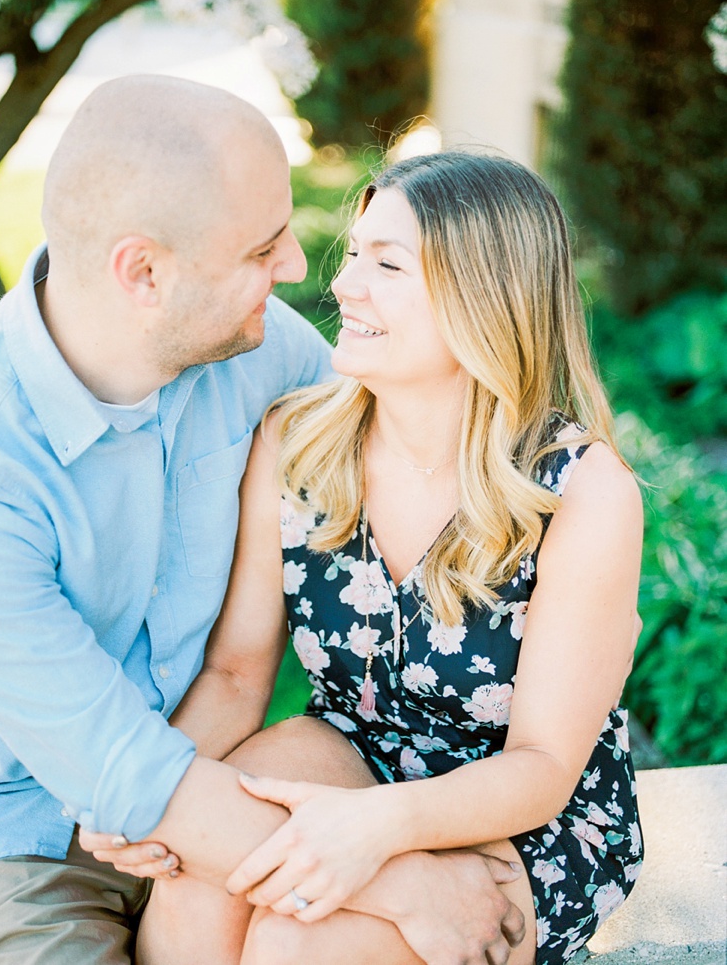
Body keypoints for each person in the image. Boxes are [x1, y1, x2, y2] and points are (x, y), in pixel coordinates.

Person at [87, 150, 644, 965]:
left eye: (385, 264)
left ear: (483, 295)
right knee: (200, 875)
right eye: (352, 255)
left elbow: (543, 765)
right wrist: (153, 794)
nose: (343, 284)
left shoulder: (578, 489)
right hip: (350, 743)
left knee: (297, 937)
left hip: (518, 804)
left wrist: (376, 830)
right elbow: (239, 675)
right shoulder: (299, 440)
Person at [0, 73, 334, 962]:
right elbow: (115, 770)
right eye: (262, 248)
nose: (294, 270)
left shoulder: (263, 349)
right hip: (14, 846)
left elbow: (407, 459)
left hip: (215, 770)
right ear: (145, 272)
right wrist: (415, 882)